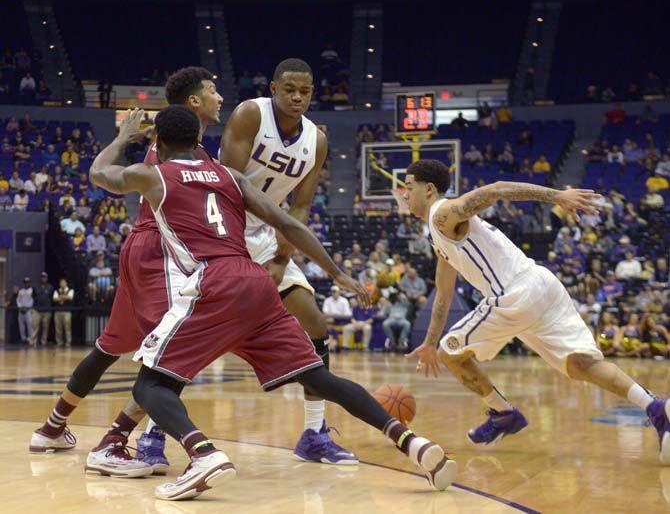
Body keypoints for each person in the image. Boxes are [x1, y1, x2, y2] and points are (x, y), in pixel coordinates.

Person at [80, 106, 456, 499]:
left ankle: (203, 455)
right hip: (255, 282)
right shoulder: (230, 176)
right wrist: (337, 273)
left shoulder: (151, 174)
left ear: (157, 142)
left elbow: (98, 173)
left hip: (214, 283)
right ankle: (415, 445)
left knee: (150, 384)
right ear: (198, 142)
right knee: (318, 377)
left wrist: (123, 136)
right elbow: (290, 224)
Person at [401, 159, 670, 462]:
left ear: (429, 189)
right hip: (542, 285)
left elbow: (497, 190)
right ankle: (654, 406)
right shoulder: (440, 235)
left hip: (514, 295)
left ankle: (504, 413)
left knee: (450, 353)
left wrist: (557, 196)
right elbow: (444, 294)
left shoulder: (442, 214)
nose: (404, 194)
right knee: (580, 364)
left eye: (408, 187)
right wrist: (428, 340)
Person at [29, 67, 222, 469]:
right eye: (213, 90)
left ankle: (51, 427)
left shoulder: (175, 148)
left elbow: (100, 173)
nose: (220, 97)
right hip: (161, 251)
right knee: (170, 353)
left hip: (139, 249)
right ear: (194, 103)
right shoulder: (186, 154)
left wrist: (120, 138)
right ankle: (116, 442)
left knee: (108, 348)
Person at [219, 58, 358, 464]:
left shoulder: (317, 139)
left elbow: (301, 206)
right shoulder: (250, 115)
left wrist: (281, 257)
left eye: (305, 91)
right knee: (199, 333)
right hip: (220, 228)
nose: (297, 97)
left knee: (313, 322)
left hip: (265, 234)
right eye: (289, 89)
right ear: (273, 87)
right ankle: (155, 430)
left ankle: (314, 434)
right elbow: (226, 187)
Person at [31, 272, 54, 346]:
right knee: (34, 326)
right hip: (37, 310)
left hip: (47, 311)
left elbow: (51, 297)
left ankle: (43, 342)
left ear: (47, 278)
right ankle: (33, 342)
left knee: (45, 328)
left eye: (44, 277)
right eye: (42, 277)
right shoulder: (35, 286)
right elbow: (33, 296)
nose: (43, 278)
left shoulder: (50, 287)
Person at [53, 278, 74, 347]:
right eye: (61, 282)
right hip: (58, 312)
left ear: (66, 283)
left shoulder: (70, 290)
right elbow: (54, 299)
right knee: (58, 328)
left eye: (63, 282)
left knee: (67, 328)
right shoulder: (56, 290)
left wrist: (60, 297)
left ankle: (68, 342)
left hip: (67, 312)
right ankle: (59, 342)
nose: (62, 284)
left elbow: (70, 297)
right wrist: (64, 297)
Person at [17, 277, 34, 345]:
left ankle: (30, 340)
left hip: (28, 311)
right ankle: (23, 339)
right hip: (21, 310)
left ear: (29, 282)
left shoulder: (32, 290)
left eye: (28, 282)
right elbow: (18, 300)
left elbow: (32, 300)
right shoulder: (21, 291)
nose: (26, 283)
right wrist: (20, 307)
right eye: (25, 282)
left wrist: (27, 308)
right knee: (21, 326)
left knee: (29, 326)